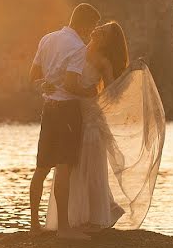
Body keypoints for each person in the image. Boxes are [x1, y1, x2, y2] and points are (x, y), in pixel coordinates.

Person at [45, 21, 166, 232]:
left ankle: (96, 217)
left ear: (107, 41)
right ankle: (78, 217)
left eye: (103, 31)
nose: (97, 29)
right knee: (72, 168)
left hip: (91, 118)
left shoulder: (102, 62)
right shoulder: (77, 51)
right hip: (72, 115)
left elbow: (112, 93)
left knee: (91, 167)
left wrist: (130, 73)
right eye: (100, 27)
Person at [29, 3, 100, 239]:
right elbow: (71, 84)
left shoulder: (47, 39)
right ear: (85, 24)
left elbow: (34, 76)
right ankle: (64, 229)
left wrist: (44, 85)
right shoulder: (78, 47)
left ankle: (34, 225)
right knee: (63, 168)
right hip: (67, 111)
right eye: (92, 27)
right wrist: (91, 92)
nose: (92, 32)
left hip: (48, 109)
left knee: (41, 167)